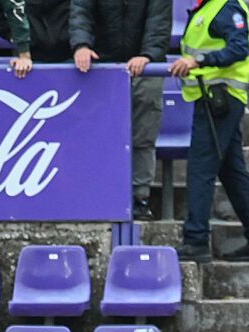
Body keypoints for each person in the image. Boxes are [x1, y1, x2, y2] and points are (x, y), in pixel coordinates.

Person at [169, 0, 249, 262]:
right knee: (231, 171)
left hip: (220, 100)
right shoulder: (207, 8)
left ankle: (196, 240)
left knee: (200, 169)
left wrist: (199, 60)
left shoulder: (224, 7)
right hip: (214, 99)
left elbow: (239, 48)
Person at [70, 0, 174, 220]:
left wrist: (148, 55)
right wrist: (81, 45)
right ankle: (98, 193)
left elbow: (159, 23)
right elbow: (81, 12)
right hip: (100, 70)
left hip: (145, 69)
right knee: (97, 135)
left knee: (143, 136)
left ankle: (140, 197)